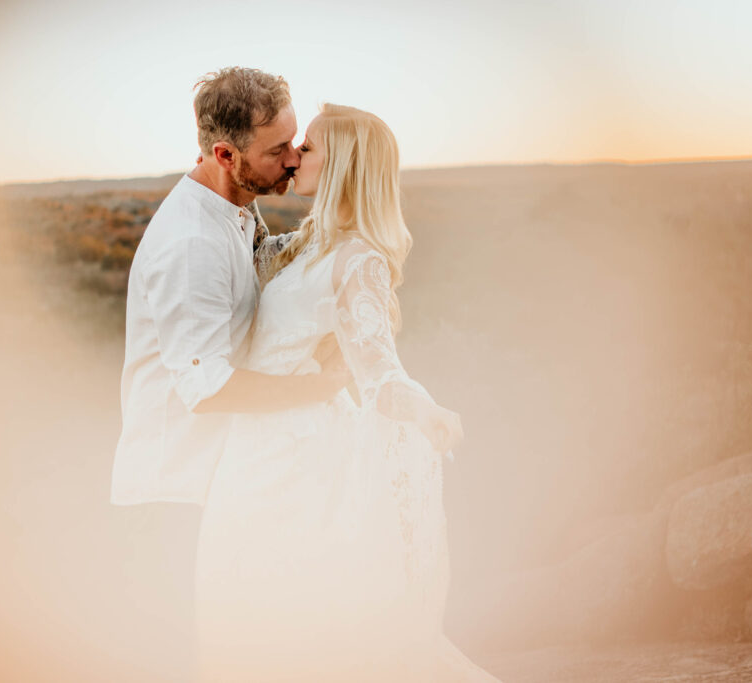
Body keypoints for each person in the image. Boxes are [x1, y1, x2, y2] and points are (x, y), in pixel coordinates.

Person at [192, 103, 500, 682]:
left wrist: (427, 410)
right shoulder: (310, 242)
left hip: (297, 463)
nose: (293, 157)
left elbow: (379, 373)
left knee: (287, 625)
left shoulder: (359, 261)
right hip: (252, 448)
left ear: (345, 166)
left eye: (307, 148)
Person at [109, 67, 348, 678]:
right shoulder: (192, 243)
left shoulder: (235, 207)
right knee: (176, 661)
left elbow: (266, 286)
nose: (294, 160)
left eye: (295, 142)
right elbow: (207, 387)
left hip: (221, 482)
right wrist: (314, 390)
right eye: (278, 150)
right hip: (173, 491)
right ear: (224, 153)